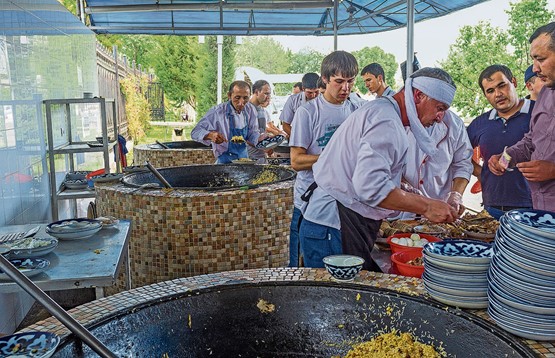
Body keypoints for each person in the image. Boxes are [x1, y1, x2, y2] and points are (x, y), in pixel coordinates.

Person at [299, 67, 458, 271]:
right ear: (419, 96)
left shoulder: (384, 112)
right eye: (440, 107)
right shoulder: (386, 120)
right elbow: (370, 187)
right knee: (335, 299)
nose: (440, 117)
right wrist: (426, 206)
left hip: (337, 222)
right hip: (332, 224)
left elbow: (361, 168)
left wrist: (400, 186)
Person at [288, 50, 361, 267]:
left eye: (350, 82)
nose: (345, 88)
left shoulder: (356, 109)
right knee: (308, 266)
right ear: (325, 79)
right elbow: (296, 161)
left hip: (346, 202)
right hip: (310, 201)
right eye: (339, 81)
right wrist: (332, 156)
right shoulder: (308, 112)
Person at [489, 22, 555, 212]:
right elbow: (530, 142)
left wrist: (553, 170)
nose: (534, 68)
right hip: (541, 210)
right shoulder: (545, 94)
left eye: (540, 59)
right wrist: (504, 159)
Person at [467, 64, 533, 219]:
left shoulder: (538, 113)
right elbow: (459, 154)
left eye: (502, 86)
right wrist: (481, 173)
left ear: (514, 82)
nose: (498, 94)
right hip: (492, 206)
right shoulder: (479, 123)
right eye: (490, 91)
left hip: (534, 206)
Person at [400, 110, 473, 218]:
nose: (439, 117)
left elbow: (463, 164)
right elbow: (387, 164)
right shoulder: (400, 120)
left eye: (443, 109)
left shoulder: (455, 124)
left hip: (439, 209)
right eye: (437, 107)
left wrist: (456, 195)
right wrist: (409, 191)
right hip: (401, 206)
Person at [191, 80, 261, 163]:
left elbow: (252, 134)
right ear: (229, 95)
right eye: (237, 98)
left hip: (244, 160)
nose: (241, 103)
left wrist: (261, 139)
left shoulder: (250, 110)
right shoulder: (217, 112)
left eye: (245, 98)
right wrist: (210, 135)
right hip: (224, 161)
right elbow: (195, 132)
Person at [280, 73, 320, 137]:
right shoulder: (293, 100)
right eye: (309, 92)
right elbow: (285, 125)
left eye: (316, 92)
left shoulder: (324, 99)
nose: (313, 95)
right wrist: (298, 137)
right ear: (303, 89)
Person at [247, 80, 272, 163]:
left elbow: (261, 132)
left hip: (261, 158)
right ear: (257, 92)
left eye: (269, 94)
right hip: (248, 159)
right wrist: (264, 147)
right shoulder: (246, 110)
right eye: (266, 93)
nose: (268, 97)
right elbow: (244, 136)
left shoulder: (262, 110)